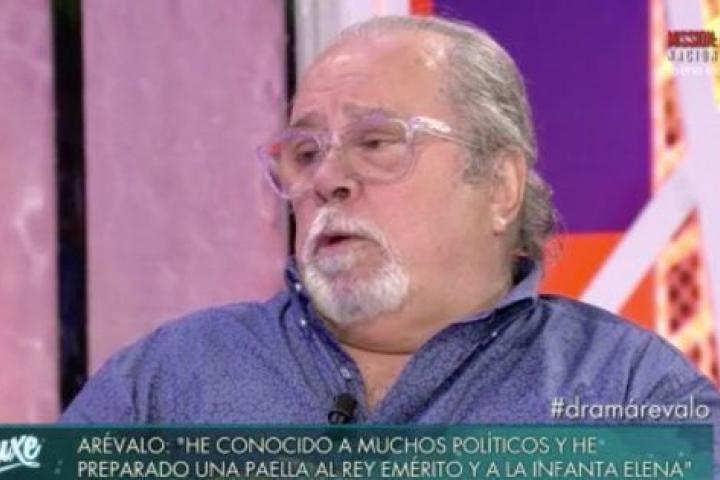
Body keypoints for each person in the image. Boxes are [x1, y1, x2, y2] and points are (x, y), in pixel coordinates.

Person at [61, 13, 719, 447]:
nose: (326, 179)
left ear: (499, 186)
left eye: (376, 142)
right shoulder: (168, 380)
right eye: (306, 152)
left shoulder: (628, 392)